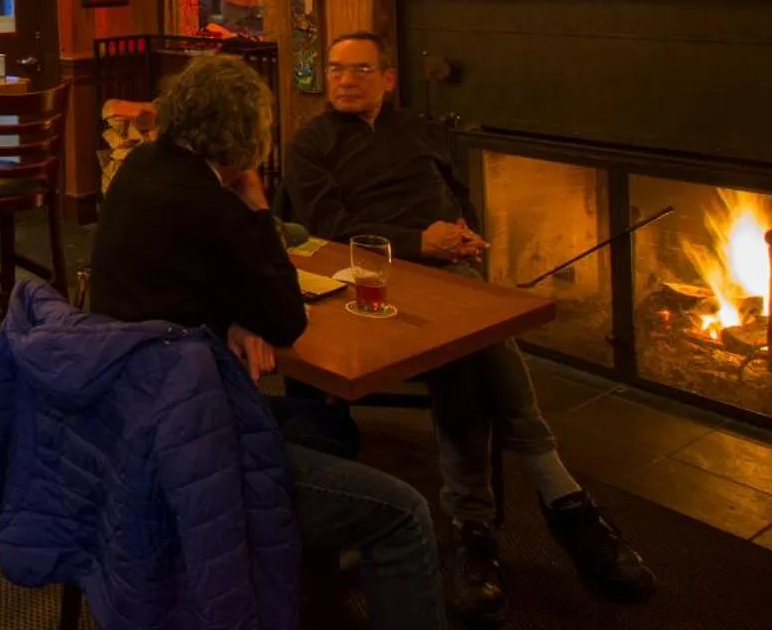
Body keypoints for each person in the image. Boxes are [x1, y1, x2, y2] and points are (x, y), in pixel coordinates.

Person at [283, 32, 657, 624]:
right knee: (473, 343)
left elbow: (457, 192)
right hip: (373, 276)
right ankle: (559, 498)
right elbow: (327, 227)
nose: (345, 80)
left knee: (470, 347)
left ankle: (474, 534)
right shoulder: (310, 143)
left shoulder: (418, 129)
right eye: (335, 69)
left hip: (450, 268)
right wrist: (418, 242)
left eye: (359, 69)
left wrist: (465, 233)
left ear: (388, 79)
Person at [89, 54, 445, 630]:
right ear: (245, 138)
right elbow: (285, 321)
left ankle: (296, 586)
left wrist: (230, 319)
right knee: (404, 513)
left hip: (125, 409)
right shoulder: (214, 207)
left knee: (327, 426)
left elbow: (174, 278)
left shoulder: (141, 169)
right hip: (186, 443)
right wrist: (256, 205)